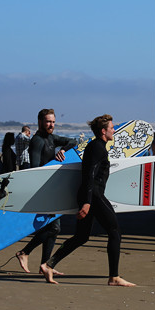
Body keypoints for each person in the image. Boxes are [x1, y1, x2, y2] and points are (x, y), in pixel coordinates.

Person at [40, 114, 135, 287]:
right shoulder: (97, 147)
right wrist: (87, 201)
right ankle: (114, 277)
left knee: (82, 236)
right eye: (112, 128)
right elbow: (88, 175)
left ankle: (48, 265)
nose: (114, 130)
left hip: (90, 195)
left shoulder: (98, 146)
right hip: (94, 196)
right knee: (114, 231)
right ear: (103, 131)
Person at [15, 109, 78, 274]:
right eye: (48, 121)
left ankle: (46, 265)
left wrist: (62, 150)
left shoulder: (51, 138)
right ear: (40, 122)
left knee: (51, 229)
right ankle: (25, 252)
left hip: (50, 188)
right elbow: (35, 169)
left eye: (53, 122)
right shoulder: (37, 141)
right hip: (43, 190)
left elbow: (73, 141)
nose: (51, 125)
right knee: (54, 228)